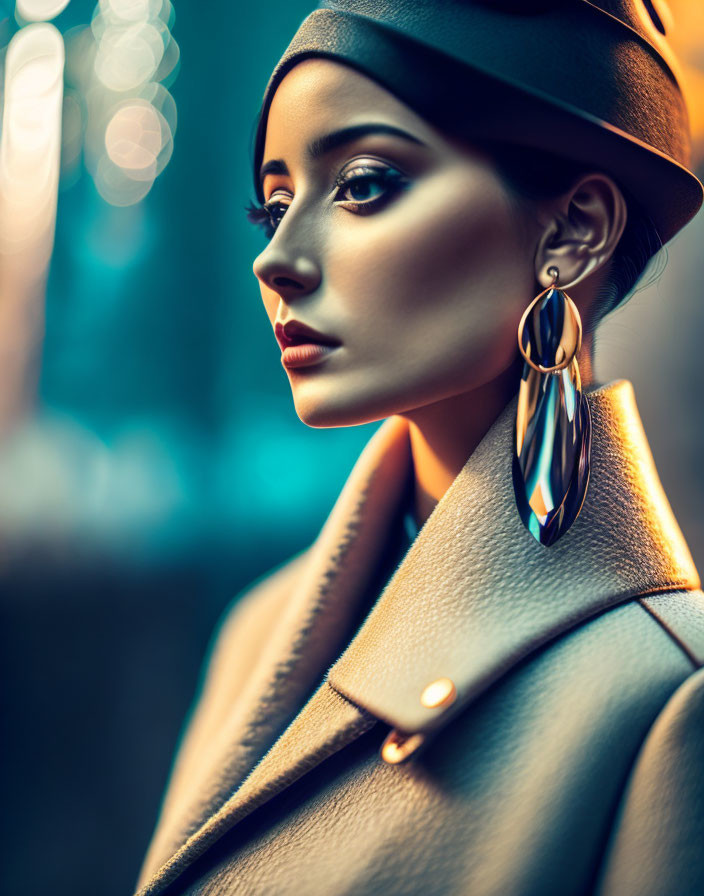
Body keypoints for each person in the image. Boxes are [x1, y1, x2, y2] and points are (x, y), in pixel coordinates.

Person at [135, 2, 704, 894]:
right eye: (274, 204)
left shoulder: (669, 703)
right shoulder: (257, 633)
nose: (275, 259)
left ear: (573, 230)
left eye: (361, 183)